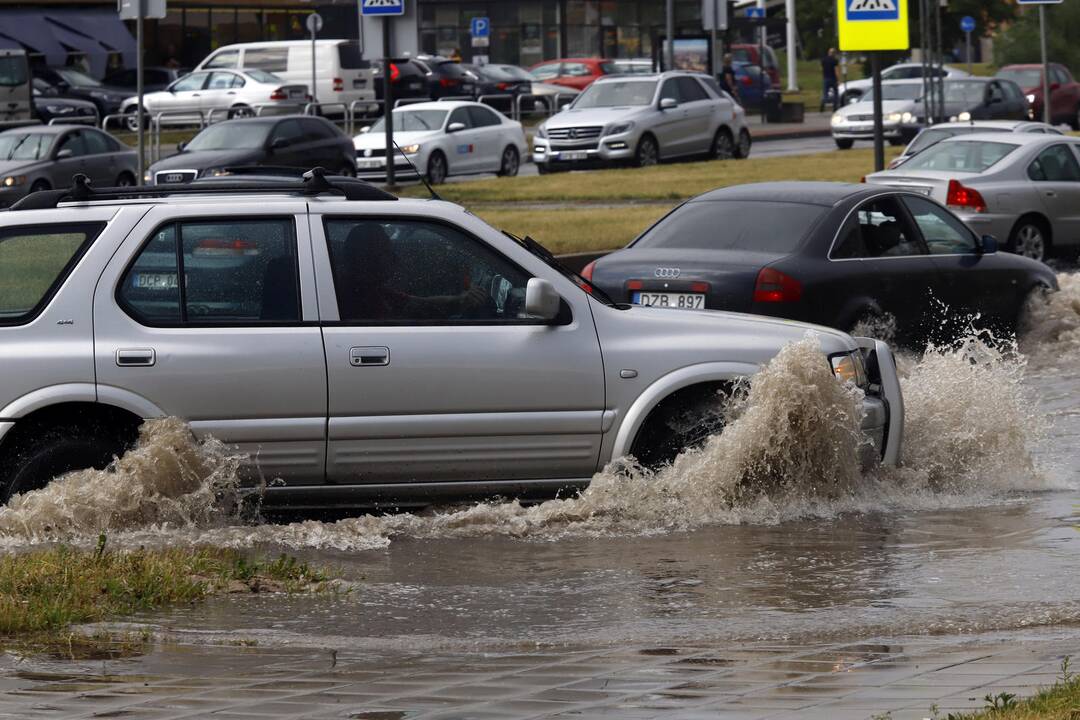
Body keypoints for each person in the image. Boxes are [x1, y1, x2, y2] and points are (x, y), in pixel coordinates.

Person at [337, 223, 488, 321]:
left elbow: (418, 304)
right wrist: (461, 300)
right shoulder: (356, 297)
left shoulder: (373, 290)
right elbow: (413, 310)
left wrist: (461, 300)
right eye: (386, 252)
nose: (395, 258)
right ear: (368, 258)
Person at [821, 48, 840, 112]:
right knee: (836, 93)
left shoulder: (824, 60)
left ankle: (823, 103)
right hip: (833, 79)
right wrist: (838, 80)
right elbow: (836, 70)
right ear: (834, 53)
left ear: (828, 52)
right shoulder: (835, 60)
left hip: (826, 78)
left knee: (825, 93)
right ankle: (835, 107)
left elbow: (822, 69)